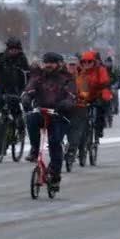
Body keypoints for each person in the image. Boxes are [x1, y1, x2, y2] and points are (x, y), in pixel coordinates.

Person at [22, 52, 76, 189]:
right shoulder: (38, 77)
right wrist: (27, 98)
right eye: (46, 62)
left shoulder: (66, 78)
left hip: (59, 115)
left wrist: (65, 104)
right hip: (42, 111)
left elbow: (71, 95)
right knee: (30, 118)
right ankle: (35, 148)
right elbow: (29, 90)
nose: (48, 65)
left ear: (59, 64)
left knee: (54, 142)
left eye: (52, 63)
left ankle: (55, 174)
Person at [0, 37, 30, 133]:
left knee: (16, 106)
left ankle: (20, 125)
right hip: (2, 87)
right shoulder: (1, 57)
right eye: (11, 49)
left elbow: (27, 74)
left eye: (16, 49)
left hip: (17, 88)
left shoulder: (22, 59)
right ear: (8, 49)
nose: (13, 51)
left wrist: (26, 89)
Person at [78, 51, 113, 139]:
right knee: (81, 110)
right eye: (84, 62)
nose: (87, 64)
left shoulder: (100, 69)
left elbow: (104, 82)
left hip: (98, 93)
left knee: (101, 108)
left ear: (94, 61)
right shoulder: (81, 71)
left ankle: (99, 128)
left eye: (89, 61)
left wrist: (105, 93)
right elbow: (81, 85)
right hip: (86, 92)